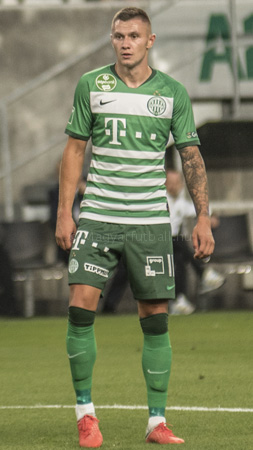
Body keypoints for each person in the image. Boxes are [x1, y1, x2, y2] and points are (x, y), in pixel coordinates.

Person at [55, 7, 214, 447]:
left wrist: (202, 216)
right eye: (118, 35)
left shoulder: (172, 94)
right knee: (80, 307)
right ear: (113, 40)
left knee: (156, 321)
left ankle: (156, 423)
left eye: (133, 35)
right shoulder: (92, 85)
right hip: (99, 216)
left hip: (149, 222)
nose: (125, 42)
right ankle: (86, 415)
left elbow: (191, 157)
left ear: (150, 40)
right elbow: (73, 151)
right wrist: (65, 211)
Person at [166, 169, 225, 315]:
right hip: (154, 242)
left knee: (180, 259)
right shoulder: (161, 199)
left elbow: (197, 210)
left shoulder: (179, 203)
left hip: (172, 246)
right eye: (170, 183)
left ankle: (179, 300)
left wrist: (211, 216)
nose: (173, 186)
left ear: (180, 185)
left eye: (176, 183)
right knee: (179, 241)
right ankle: (204, 273)